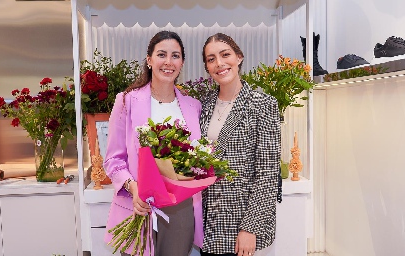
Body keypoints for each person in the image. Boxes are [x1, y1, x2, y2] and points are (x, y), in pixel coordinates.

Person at [103, 30, 203, 256]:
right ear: (149, 60)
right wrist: (134, 187)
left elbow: (196, 157)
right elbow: (113, 159)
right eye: (162, 55)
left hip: (181, 208)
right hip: (138, 204)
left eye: (175, 56)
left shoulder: (192, 105)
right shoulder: (127, 100)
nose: (168, 62)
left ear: (182, 62)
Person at [199, 33, 281, 256]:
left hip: (241, 224)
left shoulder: (262, 104)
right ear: (207, 67)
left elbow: (268, 172)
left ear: (239, 57)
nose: (219, 63)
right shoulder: (204, 104)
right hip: (209, 221)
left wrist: (250, 228)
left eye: (225, 55)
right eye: (211, 59)